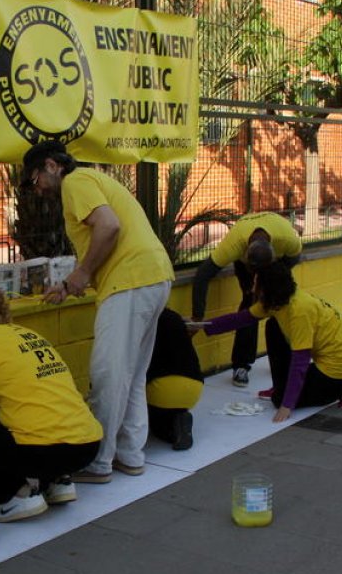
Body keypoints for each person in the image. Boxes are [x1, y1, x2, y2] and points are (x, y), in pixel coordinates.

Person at [21, 140, 174, 483]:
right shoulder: (92, 180)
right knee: (131, 375)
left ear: (50, 166)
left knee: (107, 375)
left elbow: (109, 227)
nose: (39, 190)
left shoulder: (75, 181)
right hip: (153, 276)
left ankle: (98, 462)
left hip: (130, 282)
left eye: (35, 181)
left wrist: (84, 273)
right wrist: (68, 282)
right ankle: (130, 455)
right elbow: (98, 243)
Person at [0, 283, 103, 521]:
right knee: (16, 416)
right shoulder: (28, 334)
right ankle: (58, 481)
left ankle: (14, 496)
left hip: (45, 451)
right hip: (88, 445)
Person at [197, 262, 342, 422]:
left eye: (256, 284)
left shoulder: (299, 311)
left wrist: (287, 405)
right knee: (273, 326)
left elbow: (300, 362)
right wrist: (200, 326)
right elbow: (241, 318)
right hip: (324, 358)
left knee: (279, 399)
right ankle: (281, 387)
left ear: (268, 288)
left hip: (340, 366)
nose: (253, 288)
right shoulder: (275, 302)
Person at [191, 211, 302, 387]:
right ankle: (241, 365)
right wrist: (198, 316)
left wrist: (274, 286)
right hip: (250, 262)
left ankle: (283, 360)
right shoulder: (234, 244)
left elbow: (295, 258)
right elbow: (203, 275)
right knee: (249, 306)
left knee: (280, 305)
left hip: (278, 263)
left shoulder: (286, 238)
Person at [146, 308, 205, 450]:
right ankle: (180, 415)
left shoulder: (146, 321)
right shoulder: (174, 317)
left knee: (157, 429)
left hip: (161, 390)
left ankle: (171, 432)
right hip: (194, 387)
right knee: (172, 407)